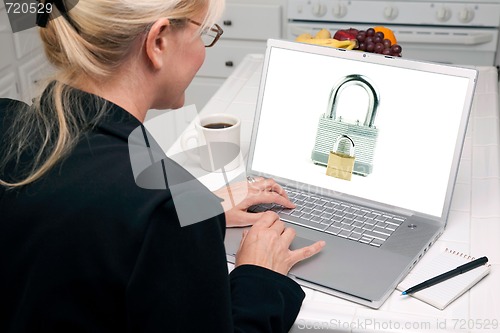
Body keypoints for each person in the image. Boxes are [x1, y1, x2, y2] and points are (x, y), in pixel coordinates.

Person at [0, 0, 325, 332]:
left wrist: (198, 204)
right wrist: (261, 276)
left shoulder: (7, 119)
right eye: (204, 35)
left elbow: (95, 167)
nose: (203, 50)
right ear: (158, 42)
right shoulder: (162, 213)